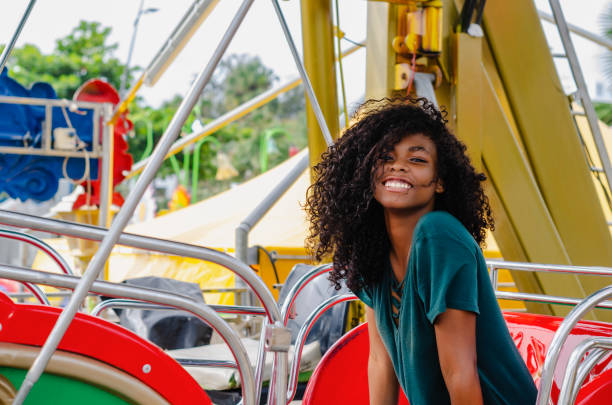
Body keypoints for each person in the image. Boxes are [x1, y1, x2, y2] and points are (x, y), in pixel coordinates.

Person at [305, 97, 537, 405]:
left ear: (439, 182)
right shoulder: (371, 250)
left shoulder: (439, 236)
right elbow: (380, 362)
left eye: (417, 160)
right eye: (386, 157)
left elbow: (459, 373)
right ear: (366, 172)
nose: (398, 165)